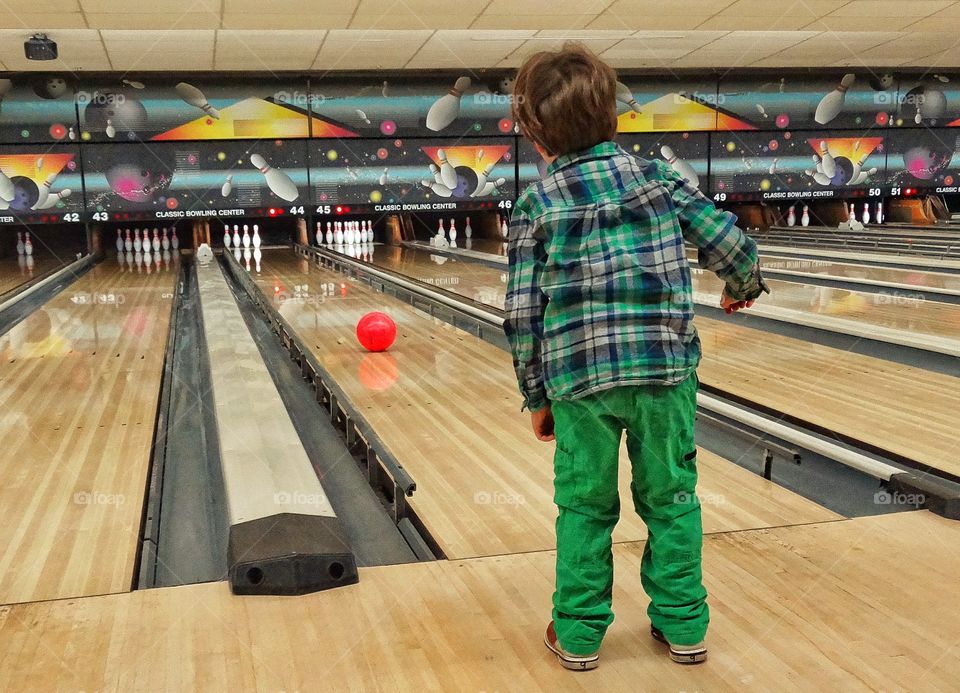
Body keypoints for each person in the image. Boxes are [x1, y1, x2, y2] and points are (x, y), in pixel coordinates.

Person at [504, 44, 768, 672]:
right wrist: (740, 288)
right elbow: (735, 245)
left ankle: (578, 636)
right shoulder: (662, 180)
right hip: (664, 378)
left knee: (584, 508)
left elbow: (520, 317)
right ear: (614, 118)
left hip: (580, 386)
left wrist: (537, 397)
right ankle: (684, 628)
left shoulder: (537, 205)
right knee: (672, 499)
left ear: (535, 137)